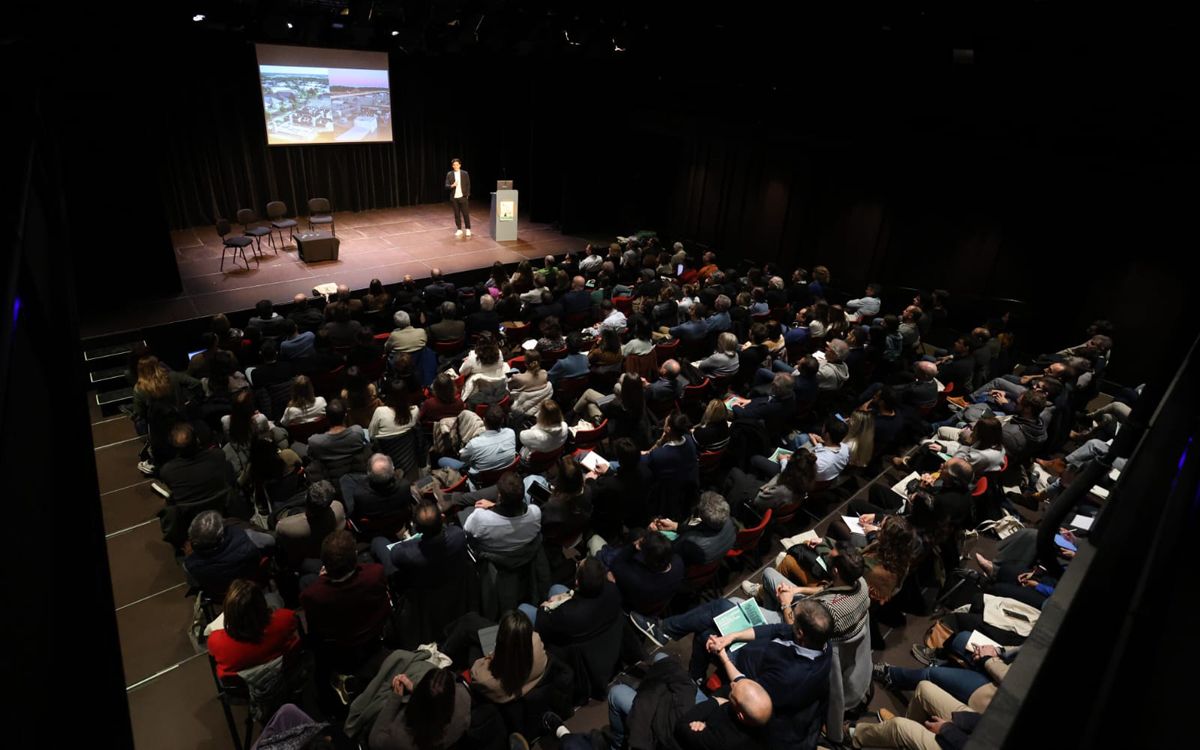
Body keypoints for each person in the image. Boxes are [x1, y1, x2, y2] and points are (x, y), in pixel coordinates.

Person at [206, 579, 301, 679]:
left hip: (244, 692)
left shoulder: (216, 642)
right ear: (262, 604)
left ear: (228, 612)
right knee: (274, 597)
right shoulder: (285, 620)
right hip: (290, 680)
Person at [369, 667, 472, 750]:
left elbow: (374, 741)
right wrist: (413, 687)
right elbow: (436, 702)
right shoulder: (464, 697)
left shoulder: (402, 739)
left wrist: (395, 698)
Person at [470, 610, 549, 704]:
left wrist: (492, 655)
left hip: (499, 666)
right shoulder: (536, 641)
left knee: (471, 642)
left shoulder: (485, 680)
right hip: (510, 658)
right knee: (471, 619)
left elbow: (475, 669)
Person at [445, 158, 472, 237]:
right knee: (457, 214)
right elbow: (446, 185)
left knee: (465, 214)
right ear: (452, 166)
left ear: (460, 165)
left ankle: (468, 229)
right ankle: (459, 229)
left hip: (463, 197)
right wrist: (452, 185)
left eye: (457, 164)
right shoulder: (449, 174)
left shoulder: (465, 173)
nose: (455, 166)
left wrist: (467, 195)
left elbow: (468, 185)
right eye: (454, 165)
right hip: (454, 198)